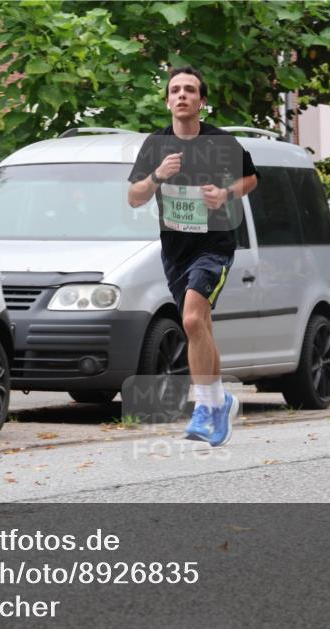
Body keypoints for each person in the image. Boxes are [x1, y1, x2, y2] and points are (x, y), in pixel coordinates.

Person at [127, 66, 258, 447]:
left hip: (215, 245)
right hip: (175, 250)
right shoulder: (155, 145)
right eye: (175, 90)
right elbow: (134, 197)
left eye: (190, 90)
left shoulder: (222, 143)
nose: (182, 95)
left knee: (191, 318)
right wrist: (156, 176)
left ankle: (204, 407)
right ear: (167, 100)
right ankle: (221, 402)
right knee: (202, 326)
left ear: (202, 101)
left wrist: (225, 195)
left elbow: (252, 178)